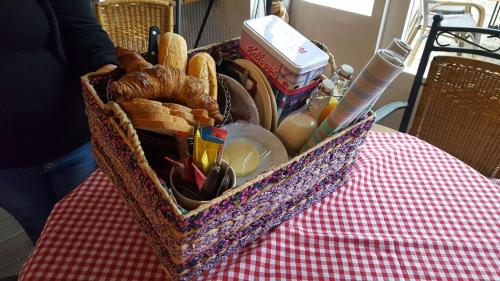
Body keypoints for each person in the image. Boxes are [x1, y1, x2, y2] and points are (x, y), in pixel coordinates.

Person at [0, 0, 118, 243]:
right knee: (48, 239)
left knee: (96, 233)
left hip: (73, 140)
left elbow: (83, 29)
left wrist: (109, 78)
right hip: (7, 166)